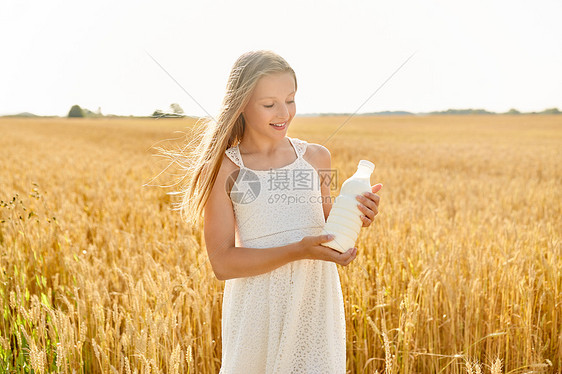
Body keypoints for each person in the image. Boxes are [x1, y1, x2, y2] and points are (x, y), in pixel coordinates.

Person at [177, 50, 382, 373]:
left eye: (290, 99)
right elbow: (222, 263)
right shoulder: (223, 169)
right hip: (257, 309)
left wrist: (358, 216)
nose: (283, 112)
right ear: (241, 104)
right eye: (269, 104)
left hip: (314, 301)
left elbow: (330, 234)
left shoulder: (316, 158)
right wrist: (297, 250)